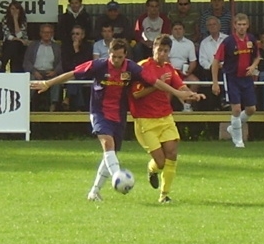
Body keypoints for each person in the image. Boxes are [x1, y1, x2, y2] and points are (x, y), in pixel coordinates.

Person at [30, 39, 198, 202]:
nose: (116, 60)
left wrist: (177, 93)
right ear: (109, 53)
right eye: (113, 56)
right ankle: (118, 176)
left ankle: (94, 191)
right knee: (108, 145)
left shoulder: (132, 68)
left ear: (125, 56)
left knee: (111, 154)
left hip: (119, 115)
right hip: (100, 112)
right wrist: (48, 83)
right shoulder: (99, 65)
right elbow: (73, 73)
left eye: (120, 57)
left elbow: (156, 83)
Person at [130, 35, 201, 203]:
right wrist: (156, 86)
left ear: (169, 52)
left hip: (165, 116)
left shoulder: (169, 69)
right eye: (159, 49)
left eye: (165, 51)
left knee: (172, 154)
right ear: (153, 48)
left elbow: (180, 85)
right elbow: (136, 94)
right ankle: (152, 168)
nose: (162, 53)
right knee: (160, 162)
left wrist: (192, 94)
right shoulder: (142, 68)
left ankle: (164, 195)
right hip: (145, 120)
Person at [212, 13, 261, 148]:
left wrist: (253, 66)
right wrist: (215, 82)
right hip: (232, 77)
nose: (241, 27)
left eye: (244, 24)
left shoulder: (251, 39)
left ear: (248, 25)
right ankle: (238, 141)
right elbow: (216, 61)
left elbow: (257, 57)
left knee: (251, 109)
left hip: (246, 78)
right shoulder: (228, 42)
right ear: (234, 26)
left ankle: (233, 127)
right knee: (237, 108)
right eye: (239, 25)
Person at [23, 23, 63, 111]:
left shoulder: (57, 47)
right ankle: (27, 106)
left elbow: (61, 62)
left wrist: (55, 71)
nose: (46, 34)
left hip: (50, 72)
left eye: (49, 32)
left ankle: (53, 106)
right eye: (44, 32)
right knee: (29, 79)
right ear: (40, 33)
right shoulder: (33, 45)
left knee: (57, 80)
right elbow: (26, 61)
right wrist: (34, 71)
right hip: (35, 72)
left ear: (52, 34)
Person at [197, 16, 227, 111]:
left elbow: (232, 55)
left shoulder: (227, 39)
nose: (212, 26)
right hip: (209, 71)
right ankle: (216, 104)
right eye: (209, 25)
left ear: (219, 25)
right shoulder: (204, 43)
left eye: (214, 24)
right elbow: (202, 60)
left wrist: (223, 64)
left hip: (226, 68)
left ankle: (224, 100)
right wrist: (212, 66)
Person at [167, 21, 198, 111]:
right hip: (169, 71)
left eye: (180, 29)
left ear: (184, 31)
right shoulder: (167, 41)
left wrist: (189, 71)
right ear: (171, 31)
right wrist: (172, 71)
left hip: (183, 71)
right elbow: (165, 58)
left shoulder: (189, 43)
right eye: (175, 29)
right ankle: (165, 107)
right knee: (168, 85)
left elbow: (193, 61)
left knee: (195, 81)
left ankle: (187, 106)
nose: (178, 31)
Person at [61, 25, 93, 111]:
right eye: (73, 34)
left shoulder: (88, 47)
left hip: (85, 73)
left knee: (76, 77)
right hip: (70, 72)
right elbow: (65, 63)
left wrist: (76, 50)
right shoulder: (66, 47)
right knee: (75, 78)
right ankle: (79, 107)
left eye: (77, 34)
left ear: (83, 35)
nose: (75, 36)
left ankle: (68, 97)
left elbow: (85, 64)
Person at [0, 0, 28, 73]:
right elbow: (8, 36)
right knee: (14, 45)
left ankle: (2, 62)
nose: (14, 11)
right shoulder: (5, 20)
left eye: (17, 9)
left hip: (20, 46)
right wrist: (19, 40)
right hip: (8, 44)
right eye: (12, 9)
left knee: (16, 45)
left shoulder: (23, 20)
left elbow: (19, 35)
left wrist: (15, 20)